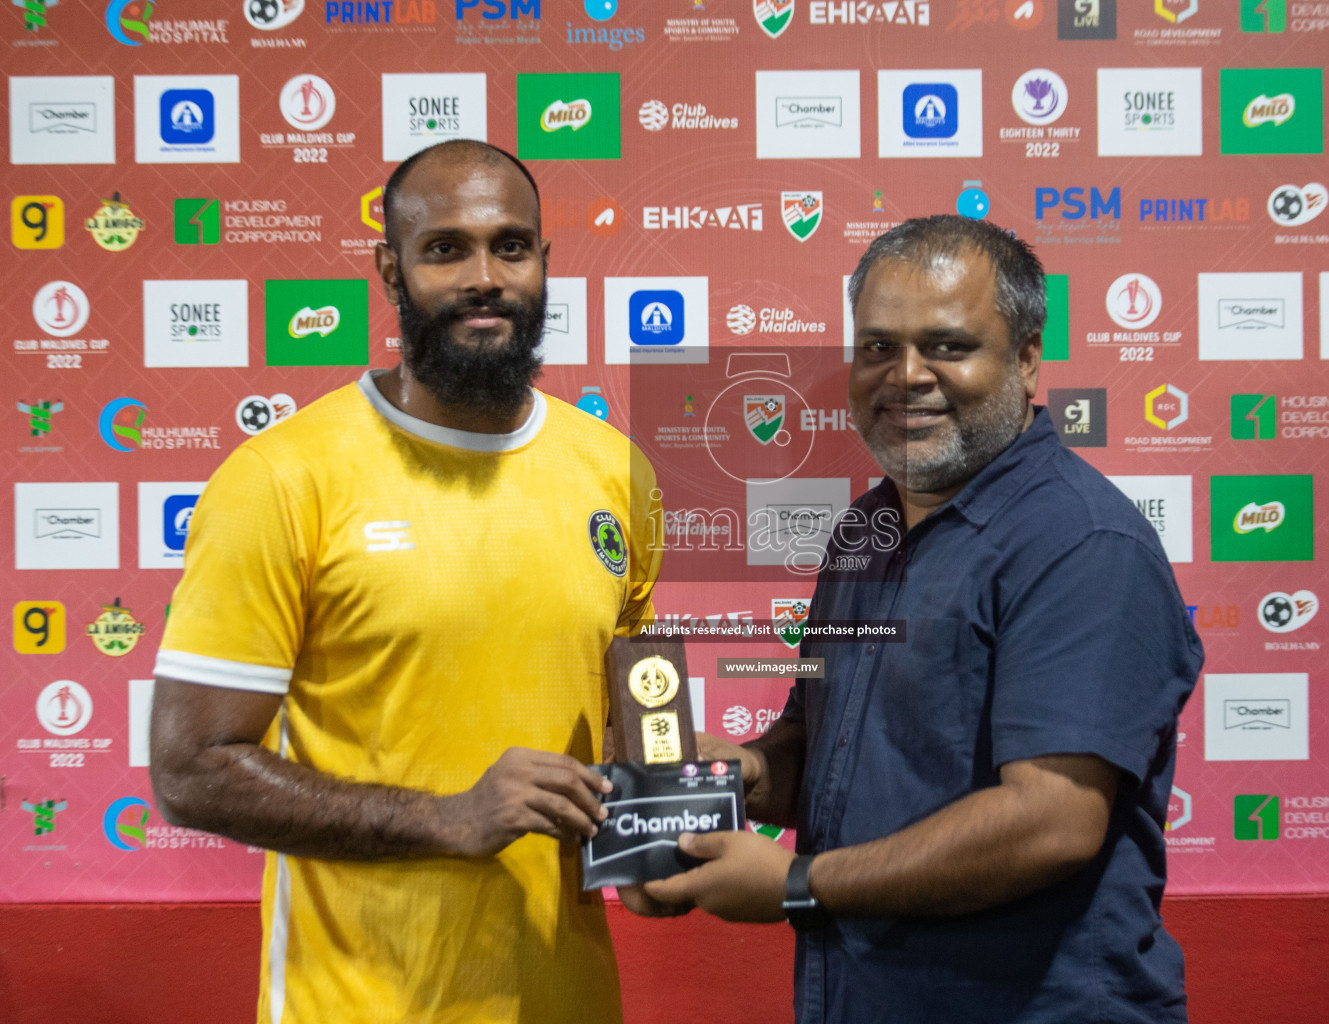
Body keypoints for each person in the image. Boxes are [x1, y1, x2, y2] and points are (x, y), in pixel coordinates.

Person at [149, 140, 661, 1024]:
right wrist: (450, 818)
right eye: (444, 248)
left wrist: (658, 844)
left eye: (511, 246)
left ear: (545, 261)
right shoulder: (283, 478)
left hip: (565, 998)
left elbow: (639, 727)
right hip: (356, 1002)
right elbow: (191, 770)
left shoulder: (616, 472)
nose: (484, 276)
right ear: (391, 269)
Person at [644, 216, 1204, 1023]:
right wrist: (748, 775)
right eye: (877, 347)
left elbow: (1051, 821)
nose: (906, 375)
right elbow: (824, 751)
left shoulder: (1082, 542)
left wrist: (797, 885)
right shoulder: (862, 536)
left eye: (947, 345)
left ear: (1027, 359)